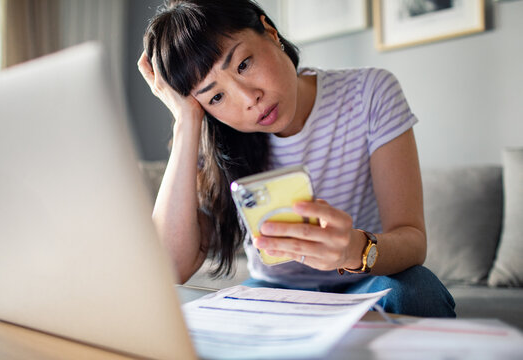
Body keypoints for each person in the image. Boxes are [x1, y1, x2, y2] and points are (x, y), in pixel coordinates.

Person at [138, 0, 455, 317]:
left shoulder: (369, 93)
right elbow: (167, 274)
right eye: (216, 97)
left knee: (418, 290)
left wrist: (354, 250)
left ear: (270, 32)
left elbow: (412, 241)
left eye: (244, 64)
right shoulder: (214, 141)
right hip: (274, 293)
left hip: (365, 283)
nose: (249, 99)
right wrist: (186, 121)